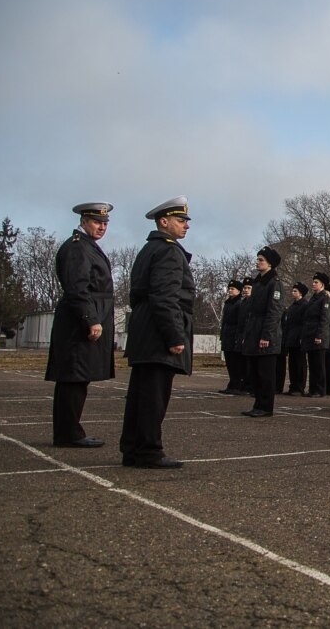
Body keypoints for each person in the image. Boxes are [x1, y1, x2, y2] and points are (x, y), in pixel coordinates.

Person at [120, 196, 194, 468]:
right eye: (180, 220)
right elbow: (166, 297)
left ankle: (133, 448)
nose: (186, 226)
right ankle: (148, 450)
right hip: (158, 333)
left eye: (186, 221)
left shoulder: (149, 249)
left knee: (140, 394)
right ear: (164, 222)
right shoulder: (168, 251)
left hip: (145, 328)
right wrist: (174, 336)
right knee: (152, 396)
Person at [45, 202, 115, 448]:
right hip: (77, 325)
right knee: (73, 378)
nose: (102, 227)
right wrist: (91, 319)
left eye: (105, 223)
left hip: (80, 322)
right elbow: (77, 287)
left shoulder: (88, 247)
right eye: (97, 222)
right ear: (84, 221)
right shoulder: (77, 248)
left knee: (78, 379)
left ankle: (70, 430)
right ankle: (68, 433)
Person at [241, 247, 285, 417]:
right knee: (255, 372)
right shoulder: (258, 282)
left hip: (266, 332)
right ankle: (258, 404)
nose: (257, 262)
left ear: (270, 263)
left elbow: (274, 312)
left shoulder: (274, 284)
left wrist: (266, 336)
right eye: (258, 259)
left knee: (265, 373)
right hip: (254, 329)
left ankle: (266, 406)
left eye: (261, 260)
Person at [302, 273, 330, 397]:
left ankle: (319, 389)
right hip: (310, 334)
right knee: (312, 364)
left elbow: (325, 319)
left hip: (318, 335)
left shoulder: (325, 299)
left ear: (322, 285)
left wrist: (319, 335)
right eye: (313, 282)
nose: (313, 284)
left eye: (316, 282)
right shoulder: (313, 298)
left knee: (319, 365)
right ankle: (313, 389)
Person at [279, 283, 307, 396]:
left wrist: (302, 337)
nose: (293, 293)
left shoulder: (304, 305)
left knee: (300, 363)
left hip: (299, 337)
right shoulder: (292, 306)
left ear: (301, 293)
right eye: (293, 290)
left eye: (295, 291)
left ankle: (299, 387)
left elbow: (305, 323)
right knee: (292, 364)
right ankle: (293, 386)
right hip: (291, 337)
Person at [219, 280, 246, 395]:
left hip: (234, 334)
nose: (230, 290)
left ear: (238, 291)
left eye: (233, 289)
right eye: (229, 288)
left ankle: (237, 384)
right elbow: (224, 320)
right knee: (229, 361)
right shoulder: (228, 303)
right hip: (227, 334)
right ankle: (232, 383)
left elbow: (240, 322)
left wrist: (238, 337)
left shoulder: (239, 304)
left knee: (236, 362)